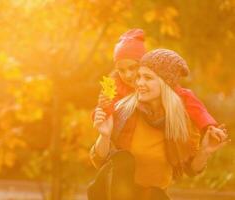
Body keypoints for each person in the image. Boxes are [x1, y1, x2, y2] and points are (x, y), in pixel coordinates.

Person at [90, 49, 229, 200]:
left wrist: (205, 151)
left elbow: (190, 169)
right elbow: (99, 160)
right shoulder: (124, 110)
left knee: (156, 194)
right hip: (113, 193)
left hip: (151, 196)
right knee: (124, 158)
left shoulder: (182, 121)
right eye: (139, 77)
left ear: (165, 83)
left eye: (148, 78)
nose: (139, 83)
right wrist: (104, 136)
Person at [94, 28, 224, 139]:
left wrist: (208, 126)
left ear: (144, 65)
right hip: (125, 149)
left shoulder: (158, 84)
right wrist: (101, 111)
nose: (127, 75)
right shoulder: (114, 86)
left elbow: (191, 102)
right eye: (121, 70)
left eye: (132, 68)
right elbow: (105, 110)